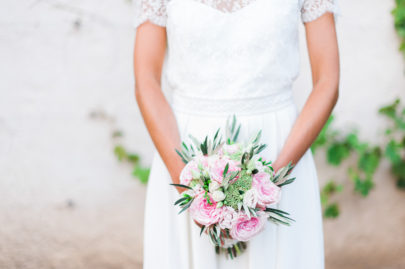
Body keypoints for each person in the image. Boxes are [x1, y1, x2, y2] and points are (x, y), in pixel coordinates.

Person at [133, 0, 340, 268]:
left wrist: (271, 182)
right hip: (183, 151)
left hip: (281, 151)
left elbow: (328, 82)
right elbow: (146, 81)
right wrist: (190, 186)